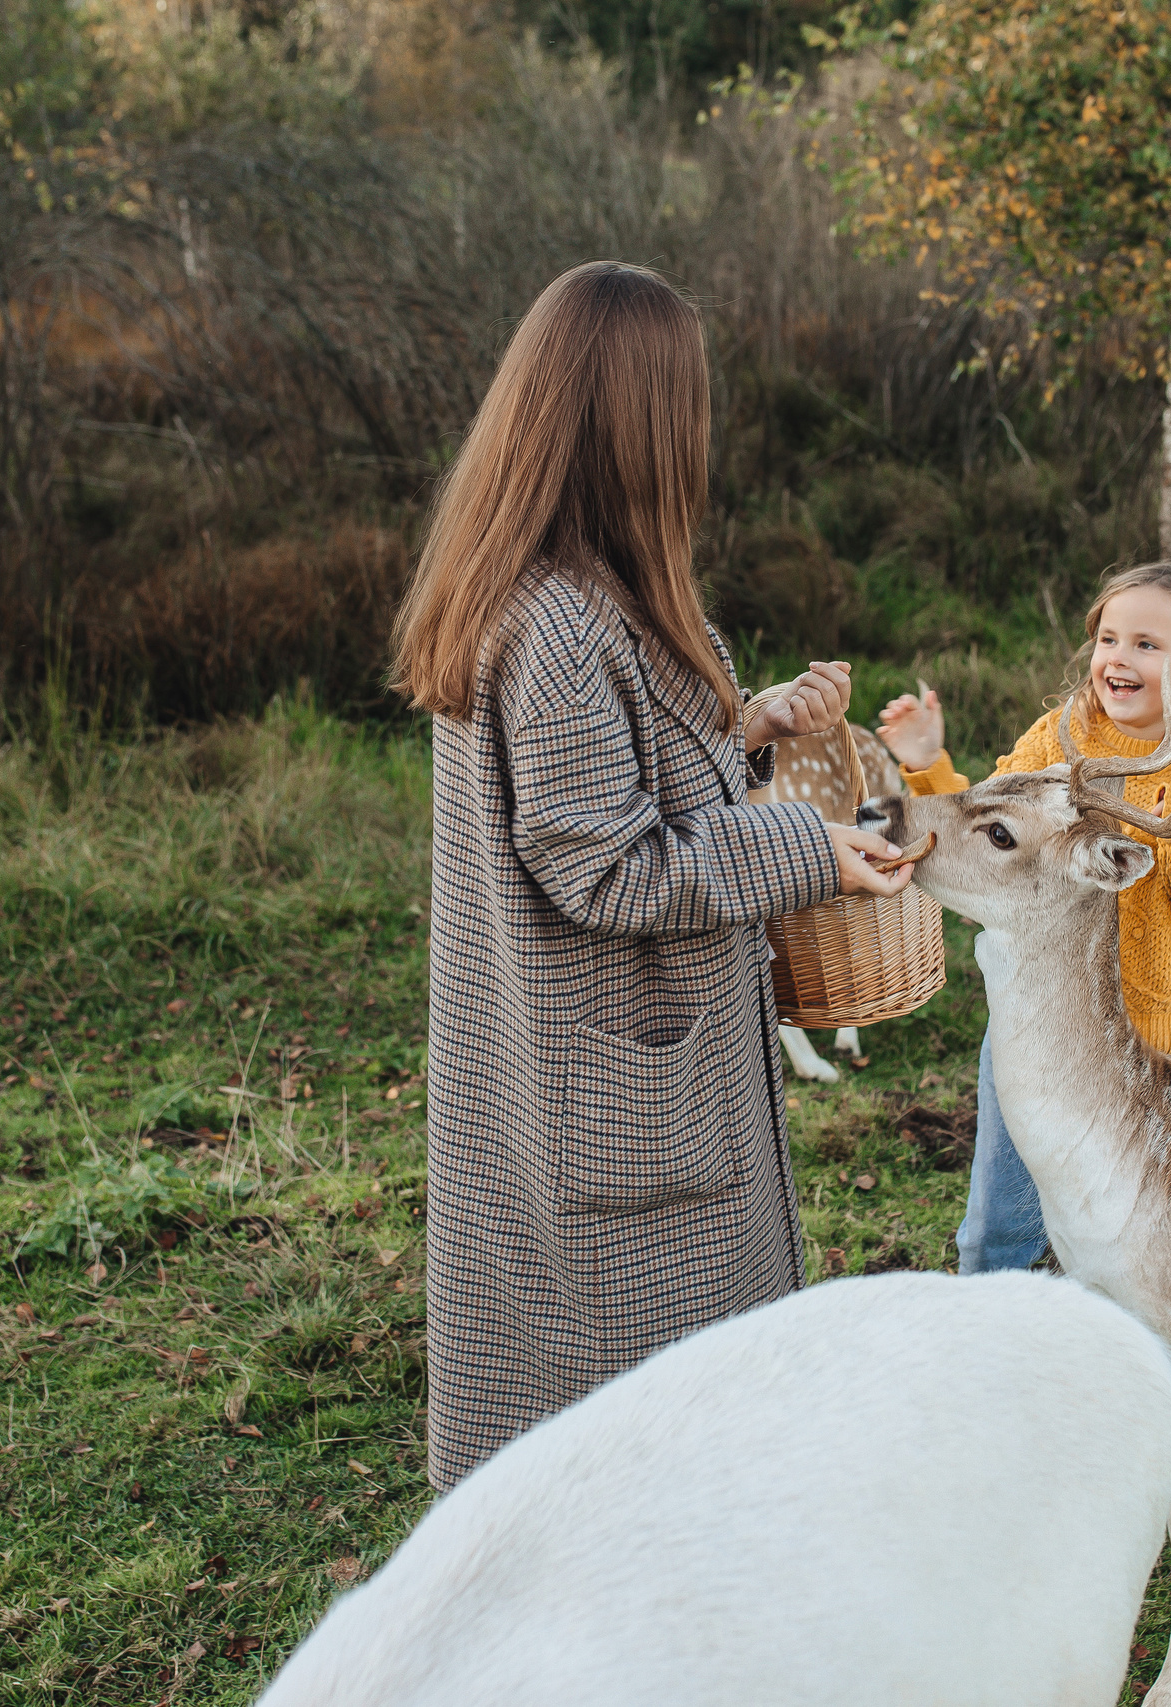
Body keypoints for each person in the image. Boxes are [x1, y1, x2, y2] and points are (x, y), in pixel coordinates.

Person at [392, 261, 914, 1489]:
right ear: (627, 419)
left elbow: (612, 777)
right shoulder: (563, 622)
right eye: (686, 399)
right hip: (604, 1086)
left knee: (636, 1441)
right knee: (638, 1450)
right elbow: (607, 865)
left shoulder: (576, 591)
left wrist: (749, 727)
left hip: (587, 1069)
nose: (701, 428)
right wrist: (808, 849)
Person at [877, 563, 1171, 1275]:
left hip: (1149, 1045)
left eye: (1147, 645)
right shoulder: (1062, 732)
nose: (1118, 658)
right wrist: (930, 766)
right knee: (998, 1228)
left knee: (1121, 1233)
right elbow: (984, 829)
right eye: (1110, 638)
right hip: (1034, 1031)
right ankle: (992, 1347)